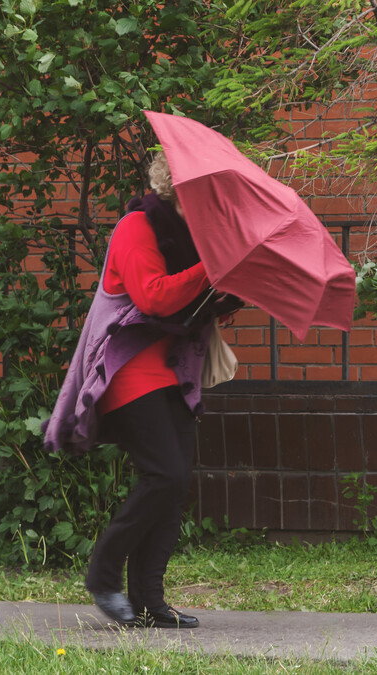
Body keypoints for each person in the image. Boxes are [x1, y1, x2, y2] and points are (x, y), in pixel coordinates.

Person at [43, 152, 240, 629]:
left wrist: (227, 290)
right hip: (129, 369)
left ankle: (151, 602)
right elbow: (153, 295)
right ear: (178, 187)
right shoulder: (137, 227)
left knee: (175, 490)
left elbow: (190, 301)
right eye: (204, 190)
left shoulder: (195, 239)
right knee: (165, 476)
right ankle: (102, 574)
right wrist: (212, 267)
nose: (212, 200)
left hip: (176, 371)